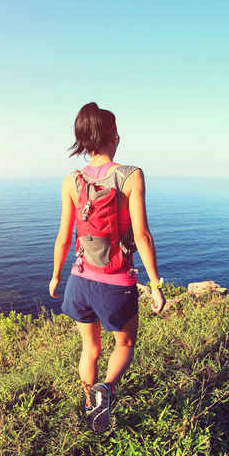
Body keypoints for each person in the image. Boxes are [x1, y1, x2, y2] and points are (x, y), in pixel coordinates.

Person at [49, 102, 165, 434]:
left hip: (79, 280)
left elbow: (62, 236)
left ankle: (90, 406)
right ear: (112, 135)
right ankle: (107, 390)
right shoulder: (131, 175)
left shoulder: (71, 180)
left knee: (91, 348)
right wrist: (155, 284)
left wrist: (57, 275)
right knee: (124, 345)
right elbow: (142, 235)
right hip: (115, 282)